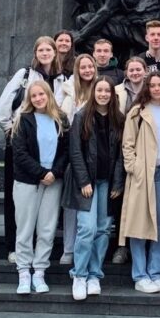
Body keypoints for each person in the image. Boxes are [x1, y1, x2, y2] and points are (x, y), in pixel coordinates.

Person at [0, 36, 68, 264]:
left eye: (49, 49)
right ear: (35, 53)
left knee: (47, 211)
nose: (45, 53)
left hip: (50, 149)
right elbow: (4, 105)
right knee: (16, 201)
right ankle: (13, 246)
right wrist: (13, 131)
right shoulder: (25, 75)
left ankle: (41, 254)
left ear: (56, 53)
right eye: (41, 50)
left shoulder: (63, 78)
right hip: (23, 145)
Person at [65, 76, 127, 300]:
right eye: (99, 90)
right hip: (87, 183)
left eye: (107, 91)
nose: (103, 94)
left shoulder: (119, 119)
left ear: (112, 94)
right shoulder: (82, 116)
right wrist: (83, 181)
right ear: (93, 93)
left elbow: (122, 154)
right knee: (87, 229)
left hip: (107, 182)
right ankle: (79, 275)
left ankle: (94, 275)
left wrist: (118, 182)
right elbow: (75, 152)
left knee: (102, 229)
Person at [120, 72, 160, 293]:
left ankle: (156, 273)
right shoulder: (137, 112)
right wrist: (134, 168)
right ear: (147, 88)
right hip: (143, 175)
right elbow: (127, 144)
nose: (156, 88)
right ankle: (140, 275)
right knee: (139, 226)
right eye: (152, 85)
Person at [12, 80, 70, 295]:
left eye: (41, 94)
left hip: (54, 181)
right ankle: (24, 271)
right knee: (25, 228)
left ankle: (39, 270)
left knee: (47, 228)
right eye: (33, 95)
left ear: (48, 95)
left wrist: (54, 172)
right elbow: (20, 153)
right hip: (28, 181)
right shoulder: (23, 119)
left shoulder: (60, 119)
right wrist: (41, 173)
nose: (38, 99)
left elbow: (66, 151)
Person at [59, 53, 99, 265]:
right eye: (83, 67)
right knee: (71, 204)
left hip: (96, 153)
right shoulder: (67, 92)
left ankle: (87, 249)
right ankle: (68, 248)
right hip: (72, 151)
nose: (87, 71)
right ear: (77, 69)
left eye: (90, 67)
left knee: (92, 209)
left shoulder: (101, 89)